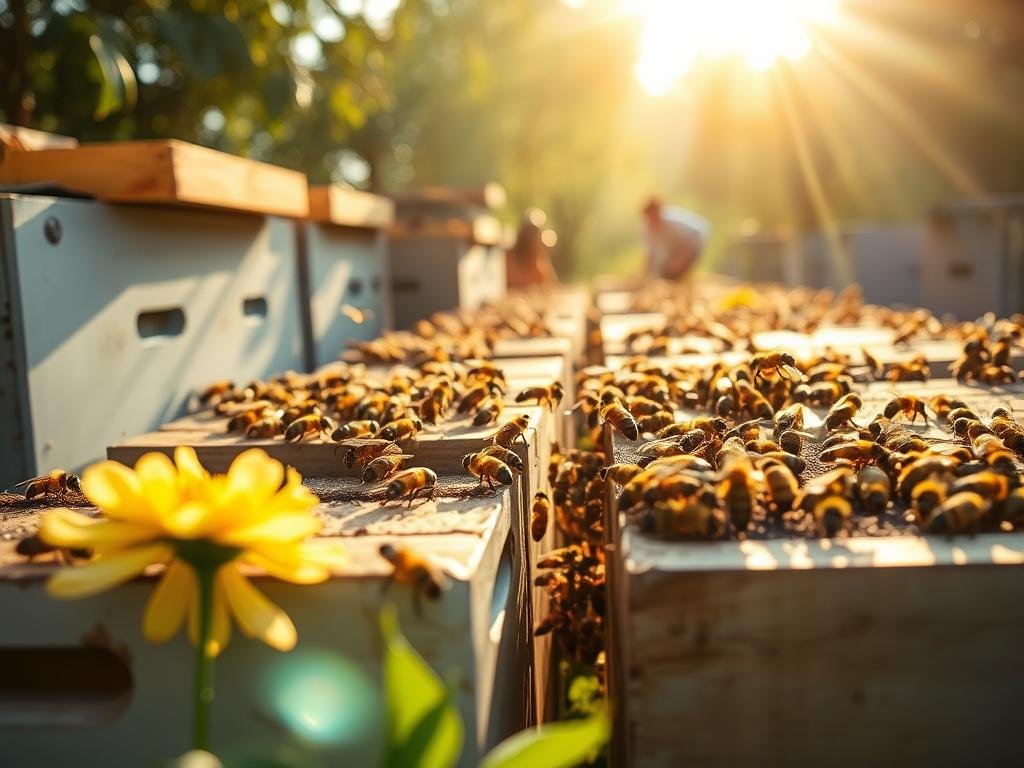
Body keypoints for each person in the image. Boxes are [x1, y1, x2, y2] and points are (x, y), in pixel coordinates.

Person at [642, 197, 711, 281]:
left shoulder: (673, 222)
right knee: (664, 271)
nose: (651, 221)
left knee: (674, 272)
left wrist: (682, 258)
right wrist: (646, 273)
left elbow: (696, 236)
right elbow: (650, 253)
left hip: (693, 243)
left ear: (659, 212)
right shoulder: (648, 228)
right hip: (674, 250)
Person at [506, 208, 560, 290]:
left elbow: (551, 288)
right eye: (529, 233)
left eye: (536, 234)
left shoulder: (541, 263)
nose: (533, 239)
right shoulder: (508, 259)